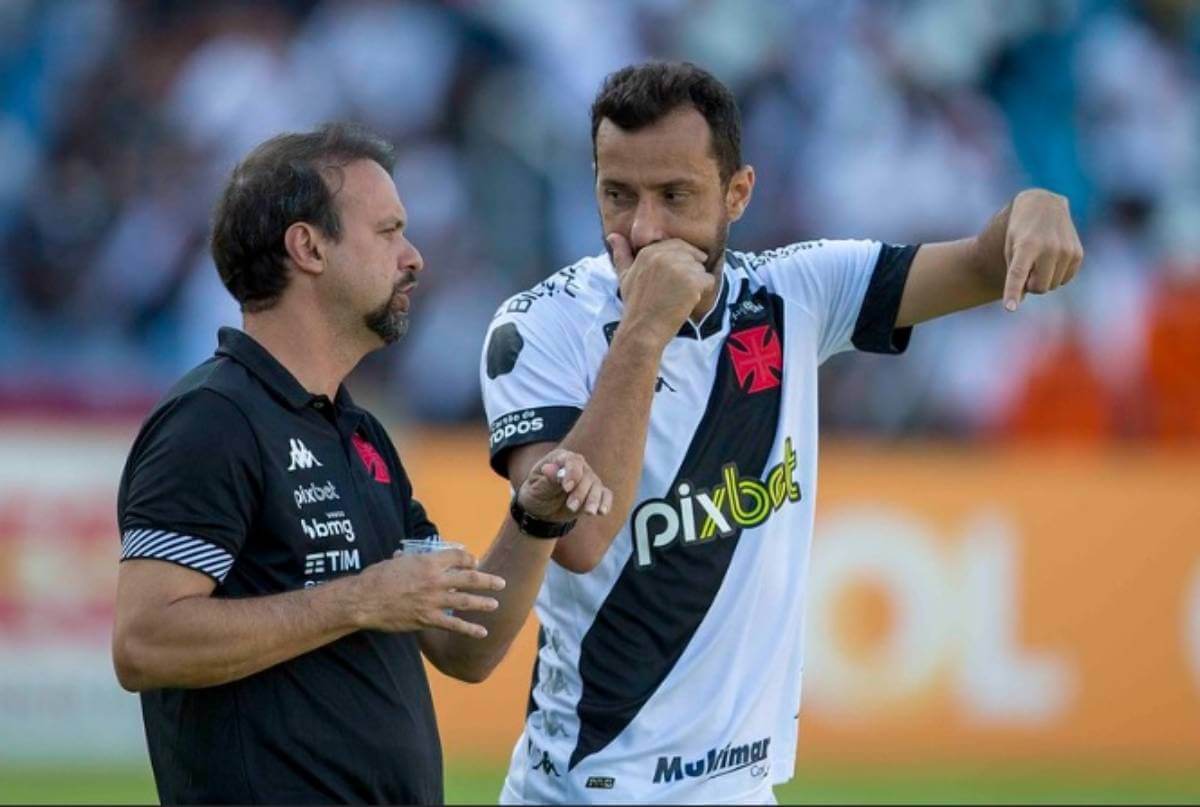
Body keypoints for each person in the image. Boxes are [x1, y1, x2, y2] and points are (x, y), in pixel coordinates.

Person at [480, 62, 1084, 805]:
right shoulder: (538, 327)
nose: (643, 230)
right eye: (617, 194)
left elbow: (983, 265)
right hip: (586, 791)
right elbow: (577, 536)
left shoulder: (797, 293)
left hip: (742, 789)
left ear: (738, 193)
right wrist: (644, 331)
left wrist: (1036, 205)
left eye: (675, 195)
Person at [111, 122, 612, 805]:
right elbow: (144, 642)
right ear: (309, 247)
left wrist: (532, 518)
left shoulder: (362, 434)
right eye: (389, 231)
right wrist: (359, 599)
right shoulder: (210, 419)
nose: (414, 258)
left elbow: (467, 646)